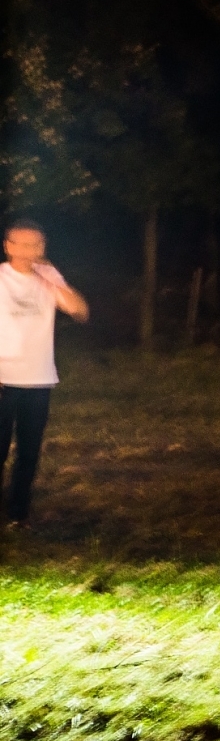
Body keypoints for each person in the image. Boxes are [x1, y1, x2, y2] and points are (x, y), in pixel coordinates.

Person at [0, 219, 90, 529]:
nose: (29, 251)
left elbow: (80, 311)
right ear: (8, 246)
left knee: (29, 452)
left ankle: (18, 514)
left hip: (38, 378)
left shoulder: (49, 277)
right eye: (22, 244)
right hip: (3, 378)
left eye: (36, 245)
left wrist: (51, 280)